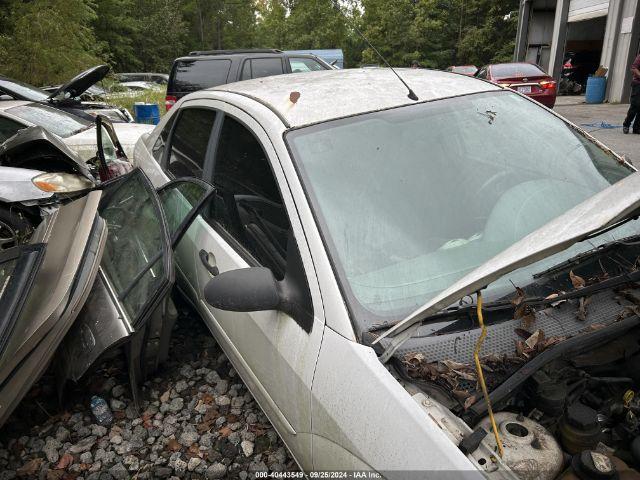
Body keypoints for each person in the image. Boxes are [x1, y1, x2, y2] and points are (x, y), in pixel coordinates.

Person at [623, 52, 640, 134]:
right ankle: (626, 124)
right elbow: (633, 68)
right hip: (638, 84)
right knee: (635, 106)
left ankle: (636, 128)